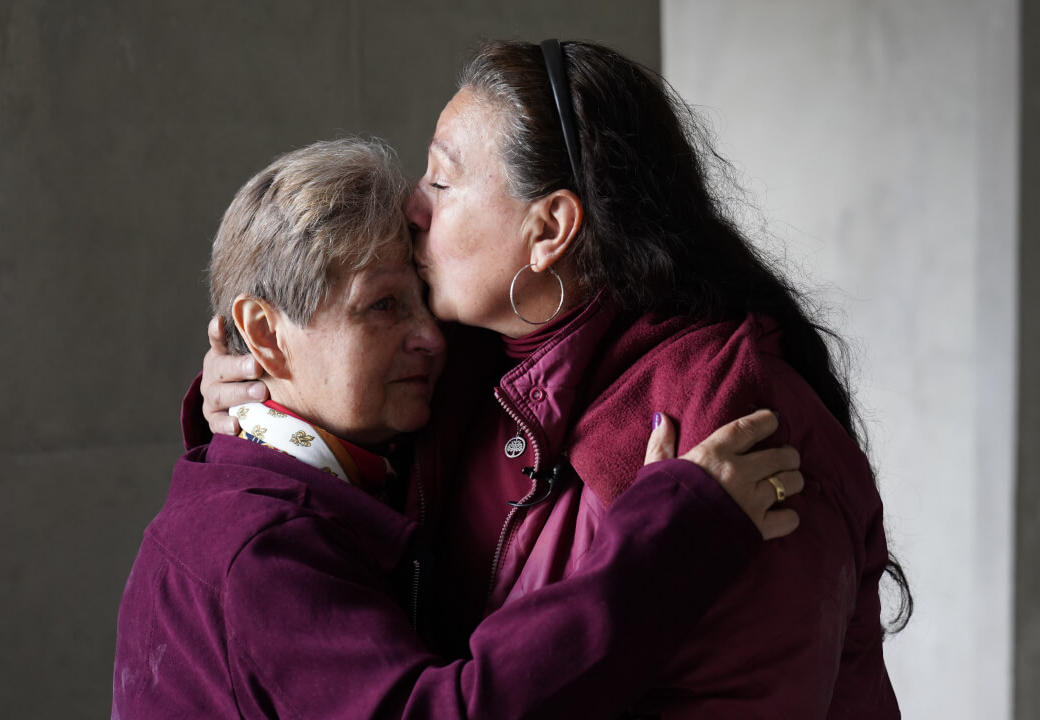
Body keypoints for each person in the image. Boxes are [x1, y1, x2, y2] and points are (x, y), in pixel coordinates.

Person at [197, 39, 911, 718]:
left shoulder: (730, 415)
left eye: (442, 180)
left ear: (550, 229)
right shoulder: (455, 369)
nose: (413, 205)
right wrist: (251, 393)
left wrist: (663, 542)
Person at [113, 137, 805, 719]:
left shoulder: (318, 477)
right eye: (381, 305)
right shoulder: (258, 549)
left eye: (425, 300)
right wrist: (668, 544)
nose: (429, 338)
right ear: (265, 333)